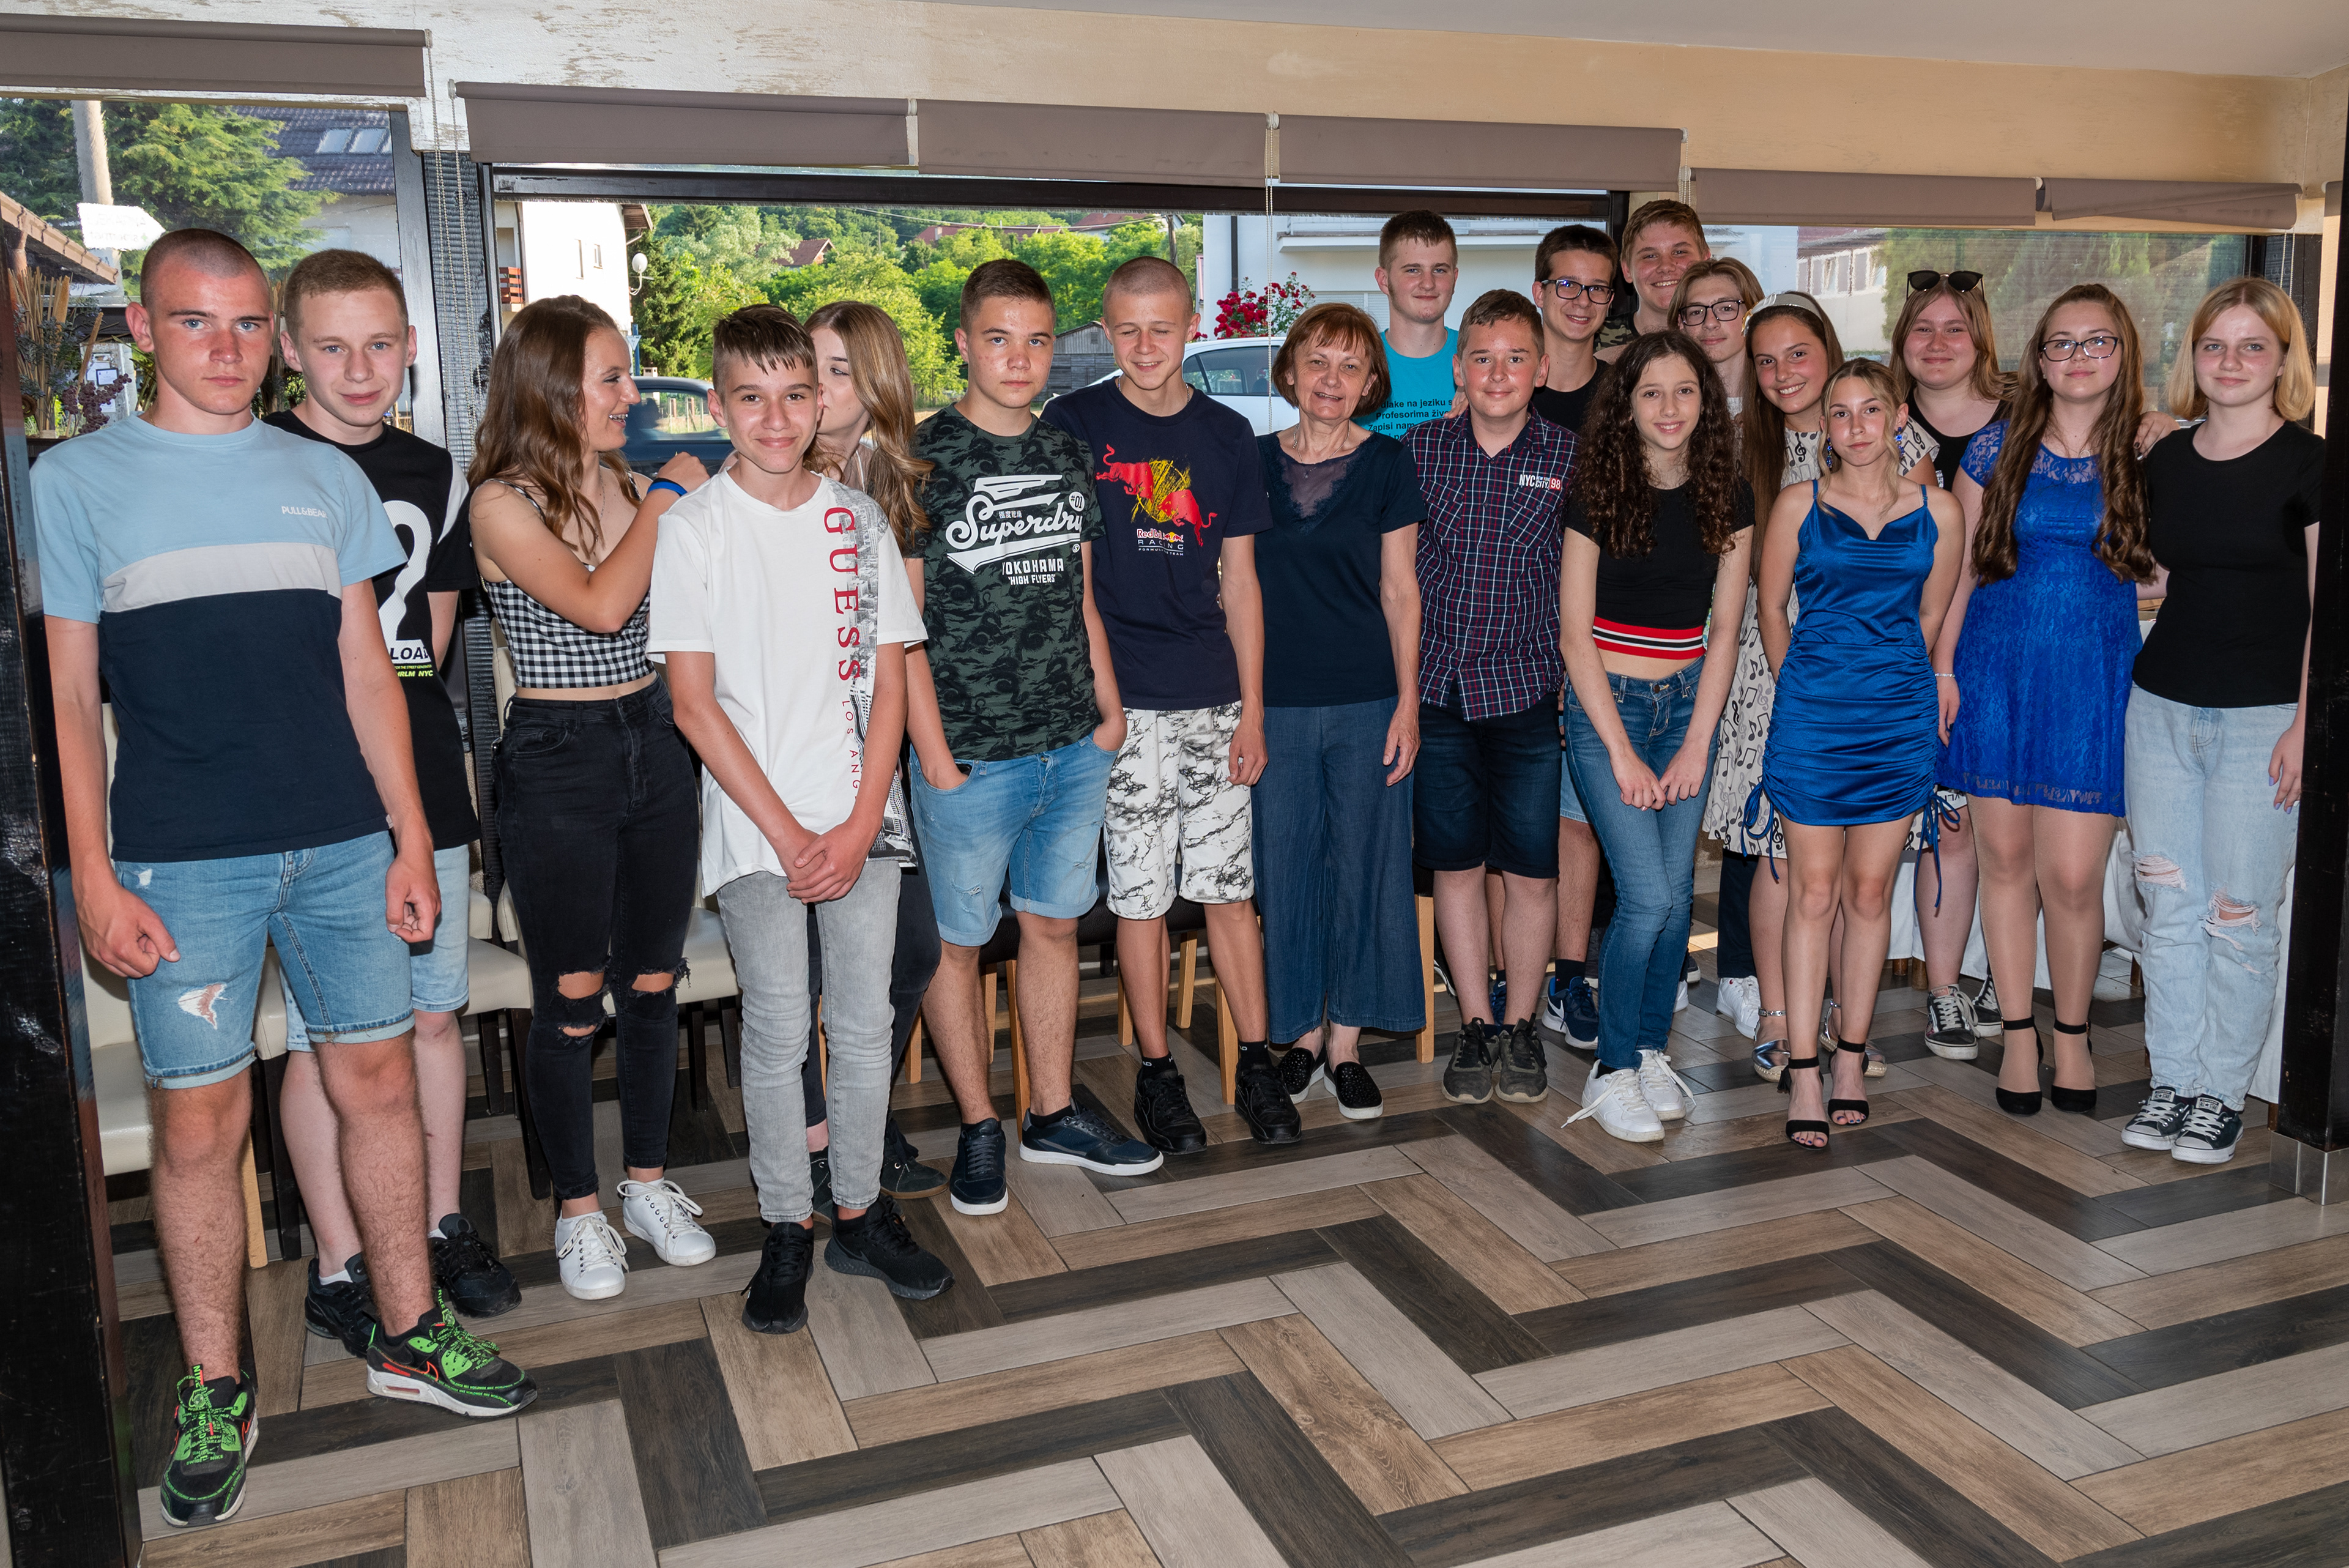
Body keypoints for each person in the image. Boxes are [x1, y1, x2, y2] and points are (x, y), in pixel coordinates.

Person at [37, 230, 534, 1529]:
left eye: (250, 323)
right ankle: (217, 1387)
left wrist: (412, 835)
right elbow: (70, 697)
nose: (229, 347)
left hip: (345, 845)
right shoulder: (73, 481)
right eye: (197, 322)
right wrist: (91, 876)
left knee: (381, 1085)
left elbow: (371, 671)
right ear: (142, 329)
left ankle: (408, 1331)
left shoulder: (323, 475)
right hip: (180, 859)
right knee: (201, 1129)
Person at [655, 304, 951, 1333]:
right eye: (753, 398)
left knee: (864, 1024)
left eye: (795, 395)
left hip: (861, 817)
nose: (776, 418)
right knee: (780, 1028)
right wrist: (789, 836)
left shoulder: (858, 519)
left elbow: (891, 676)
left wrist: (864, 820)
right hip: (757, 831)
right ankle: (787, 1222)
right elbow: (693, 703)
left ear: (821, 401)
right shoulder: (693, 528)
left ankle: (860, 1211)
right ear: (719, 405)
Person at [265, 249, 519, 1345]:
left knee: (430, 1015)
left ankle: (440, 1222)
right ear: (290, 350)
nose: (360, 368)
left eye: (380, 344)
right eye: (333, 346)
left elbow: (430, 643)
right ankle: (341, 1262)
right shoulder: (260, 463)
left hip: (420, 776)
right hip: (310, 793)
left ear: (412, 348)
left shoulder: (435, 470)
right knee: (328, 1037)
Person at [471, 296, 715, 1298]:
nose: (630, 394)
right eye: (611, 377)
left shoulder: (625, 481)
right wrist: (667, 501)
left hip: (655, 738)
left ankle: (647, 1183)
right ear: (552, 387)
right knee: (571, 1000)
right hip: (558, 755)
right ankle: (578, 1211)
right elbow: (602, 606)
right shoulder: (501, 502)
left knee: (653, 982)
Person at [909, 258, 1161, 1213]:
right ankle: (979, 1123)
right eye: (999, 339)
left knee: (1053, 926)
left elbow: (1080, 594)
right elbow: (904, 629)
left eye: (1038, 340)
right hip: (970, 753)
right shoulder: (922, 459)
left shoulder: (1066, 452)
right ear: (964, 344)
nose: (1019, 358)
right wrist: (934, 753)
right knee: (959, 943)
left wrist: (1109, 711)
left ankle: (1050, 1112)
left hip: (1071, 741)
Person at [1044, 256, 1297, 1148]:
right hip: (1122, 706)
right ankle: (1158, 1072)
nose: (1146, 346)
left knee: (1229, 890)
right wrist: (1100, 703)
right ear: (1106, 332)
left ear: (1191, 328)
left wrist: (1254, 709)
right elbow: (1069, 579)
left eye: (1162, 328)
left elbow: (1242, 581)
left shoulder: (1229, 435)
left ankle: (1256, 1061)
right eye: (1128, 329)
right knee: (1141, 898)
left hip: (1214, 698)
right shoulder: (1074, 423)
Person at [1935, 284, 2154, 1118]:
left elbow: (2182, 563)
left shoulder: (2149, 452)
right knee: (2006, 864)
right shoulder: (1996, 447)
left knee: (2072, 876)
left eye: (2096, 341)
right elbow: (1959, 569)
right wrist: (1944, 670)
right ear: (2039, 357)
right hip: (1994, 670)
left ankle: (2073, 1033)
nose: (2078, 356)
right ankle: (2020, 1034)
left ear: (2123, 353)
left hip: (2092, 680)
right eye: (2061, 342)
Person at [2121, 278, 2323, 1165]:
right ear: (2193, 357)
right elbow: (2163, 575)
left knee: (2239, 917)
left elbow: (2326, 610)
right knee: (2167, 906)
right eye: (2215, 345)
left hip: (2264, 724)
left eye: (2252, 346)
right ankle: (2170, 1082)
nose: (2231, 361)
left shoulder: (2313, 464)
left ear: (2282, 362)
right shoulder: (2166, 458)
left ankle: (2220, 1096)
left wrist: (2306, 727)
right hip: (2161, 709)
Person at [1754, 360, 1962, 1147]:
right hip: (1814, 719)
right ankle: (1804, 1068)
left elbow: (1931, 616)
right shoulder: (1797, 504)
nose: (1856, 426)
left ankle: (1850, 1058)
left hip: (1896, 719)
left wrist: (1898, 683)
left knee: (1870, 894)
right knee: (1812, 893)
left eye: (1870, 410)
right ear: (1825, 428)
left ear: (1898, 415)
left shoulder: (1940, 509)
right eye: (1839, 414)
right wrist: (1800, 685)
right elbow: (1771, 606)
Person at [1558, 332, 1753, 1143]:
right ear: (1626, 406)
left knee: (1675, 899)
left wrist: (1699, 740)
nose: (1670, 408)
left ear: (1705, 401)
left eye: (1685, 391)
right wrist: (1623, 750)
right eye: (1651, 392)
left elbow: (1726, 629)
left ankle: (1646, 1053)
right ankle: (1609, 1069)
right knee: (1645, 896)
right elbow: (1574, 633)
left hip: (1686, 707)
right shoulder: (1596, 490)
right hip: (1608, 707)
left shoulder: (1728, 493)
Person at [1254, 303, 1428, 1120]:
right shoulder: (1252, 463)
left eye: (1351, 366)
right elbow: (1235, 587)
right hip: (1276, 705)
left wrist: (1409, 704)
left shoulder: (1390, 463)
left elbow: (1401, 590)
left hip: (1369, 700)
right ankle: (1299, 1034)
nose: (1332, 379)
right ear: (1290, 371)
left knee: (1367, 867)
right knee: (1285, 869)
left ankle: (1348, 1042)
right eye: (1318, 361)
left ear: (1370, 383)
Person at [796, 298, 952, 1205]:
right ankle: (822, 1144)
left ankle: (860, 1116)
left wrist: (929, 758)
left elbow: (904, 641)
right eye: (809, 367)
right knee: (809, 972)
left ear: (878, 382)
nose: (817, 389)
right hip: (796, 753)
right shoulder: (777, 477)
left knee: (910, 952)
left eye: (838, 370)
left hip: (879, 754)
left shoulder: (892, 480)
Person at [1410, 290, 1576, 1107]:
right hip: (1438, 693)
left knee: (1533, 871)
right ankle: (1475, 1023)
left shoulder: (1570, 457)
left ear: (1541, 369)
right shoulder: (1419, 450)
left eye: (1516, 358)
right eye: (1483, 357)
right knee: (1457, 866)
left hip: (1528, 695)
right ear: (1459, 368)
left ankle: (1521, 1025)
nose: (1499, 372)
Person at [1525, 225, 1615, 1053]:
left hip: (1602, 635)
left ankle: (1569, 976)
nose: (1581, 300)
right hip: (1513, 638)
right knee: (1521, 826)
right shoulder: (1508, 381)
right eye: (1567, 284)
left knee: (1580, 819)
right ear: (1540, 290)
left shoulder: (1626, 395)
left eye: (1596, 287)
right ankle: (1504, 979)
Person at [1362, 209, 1461, 439]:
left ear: (1454, 279)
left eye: (1439, 270)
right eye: (1413, 270)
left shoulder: (1482, 360)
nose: (1428, 283)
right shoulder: (1357, 362)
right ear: (1384, 280)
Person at [1602, 199, 1710, 358]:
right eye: (1650, 256)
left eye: (1680, 252)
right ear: (1627, 270)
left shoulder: (1724, 339)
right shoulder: (1591, 343)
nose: (1665, 266)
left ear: (1705, 259)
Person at [1666, 259, 1764, 417]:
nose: (1710, 323)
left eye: (1726, 308)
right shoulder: (1667, 407)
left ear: (1753, 316)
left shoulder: (1782, 400)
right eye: (1696, 312)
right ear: (1681, 324)